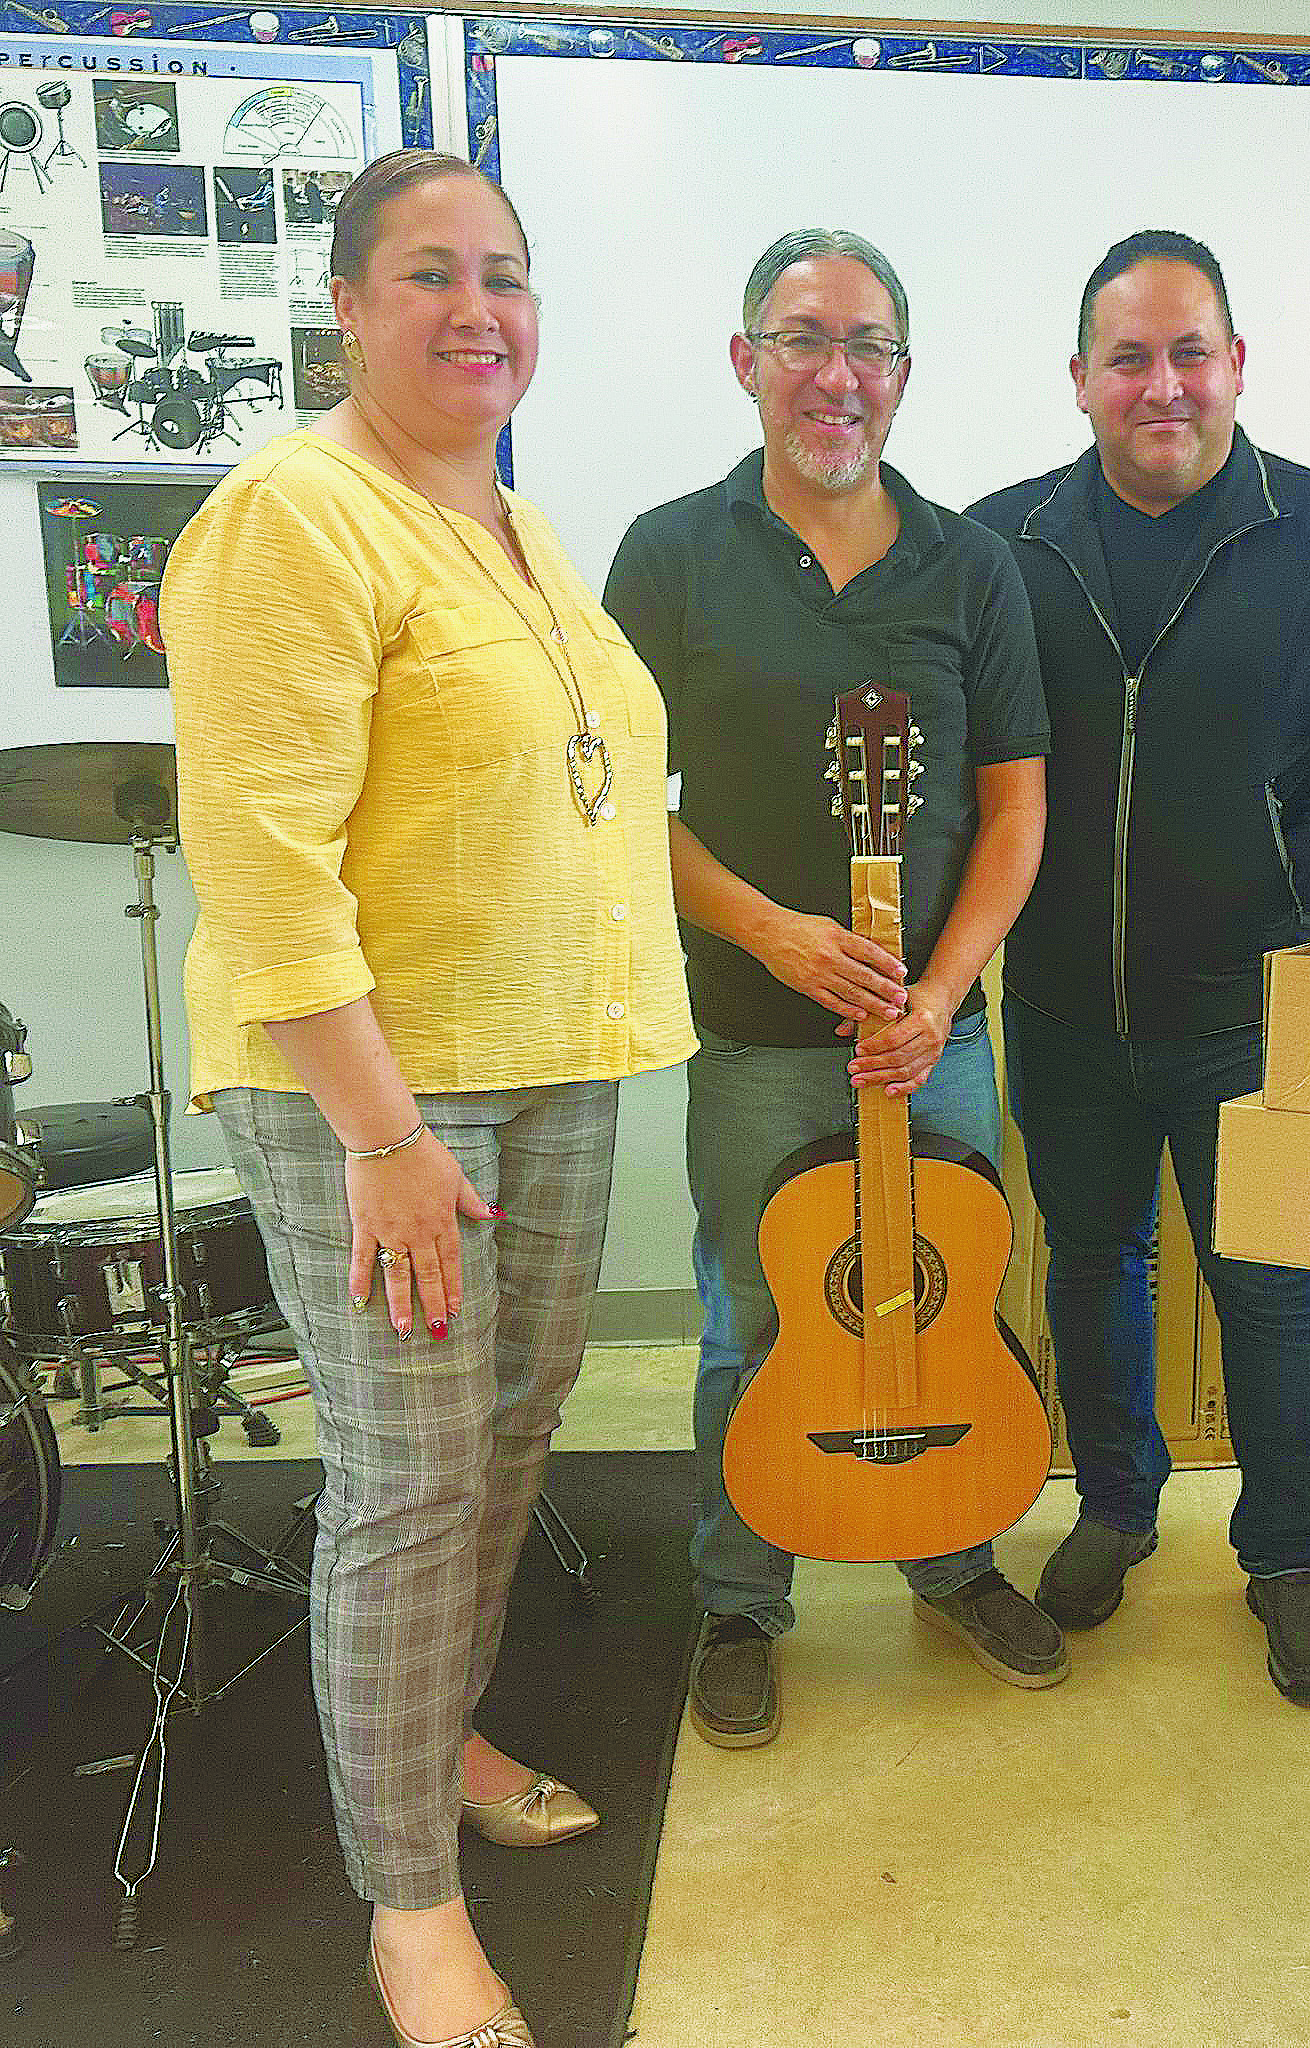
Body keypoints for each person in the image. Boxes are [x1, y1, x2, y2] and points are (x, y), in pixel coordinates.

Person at [162, 148, 693, 2048]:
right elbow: (264, 860)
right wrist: (382, 1139)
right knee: (409, 1480)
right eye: (431, 275)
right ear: (347, 306)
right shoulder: (292, 520)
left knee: (516, 1430)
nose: (481, 308)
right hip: (375, 1088)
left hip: (555, 1052)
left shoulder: (521, 531)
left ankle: (435, 1735)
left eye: (511, 275)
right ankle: (409, 1908)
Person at [968, 229, 1310, 1706]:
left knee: (1267, 1288)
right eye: (1129, 357)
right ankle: (1117, 1506)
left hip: (1245, 1005)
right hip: (1058, 1002)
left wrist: (1305, 859)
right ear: (1080, 380)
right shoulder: (1005, 544)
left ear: (1239, 366)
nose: (1163, 385)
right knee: (1091, 1262)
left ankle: (1289, 1553)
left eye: (1192, 353)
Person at [604, 228, 1063, 1750]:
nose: (837, 374)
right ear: (747, 362)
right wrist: (771, 932)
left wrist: (941, 991)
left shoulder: (972, 565)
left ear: (904, 377)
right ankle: (742, 1600)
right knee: (753, 1316)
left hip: (939, 1039)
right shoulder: (669, 555)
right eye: (804, 339)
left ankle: (954, 1556)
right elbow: (611, 802)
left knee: (951, 1298)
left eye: (868, 345)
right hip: (750, 1037)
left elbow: (1014, 810)